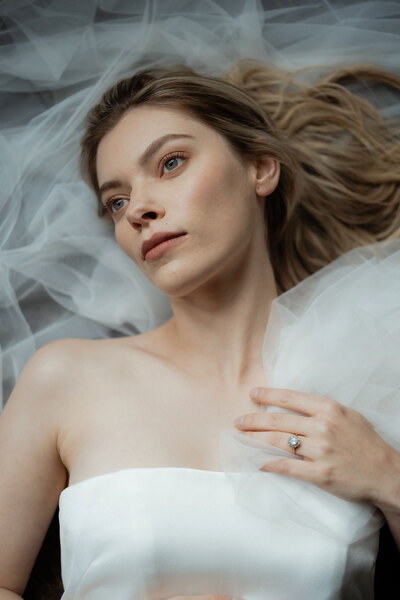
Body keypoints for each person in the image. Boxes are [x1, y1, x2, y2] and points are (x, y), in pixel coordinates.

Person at [1, 1, 400, 599]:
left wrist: (390, 479)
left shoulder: (372, 377)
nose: (138, 209)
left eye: (170, 163)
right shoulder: (65, 378)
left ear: (260, 168)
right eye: (116, 201)